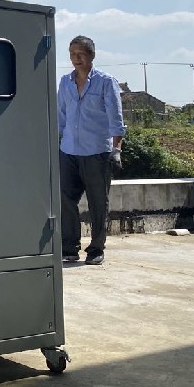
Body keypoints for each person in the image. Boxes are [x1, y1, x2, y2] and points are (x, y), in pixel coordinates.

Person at [57, 36, 126, 266]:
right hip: (69, 151)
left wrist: (116, 149)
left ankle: (96, 248)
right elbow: (61, 117)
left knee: (98, 203)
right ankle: (69, 247)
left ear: (91, 55)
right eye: (72, 54)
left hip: (97, 152)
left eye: (81, 54)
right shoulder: (65, 82)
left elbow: (116, 120)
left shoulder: (106, 82)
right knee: (65, 199)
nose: (76, 58)